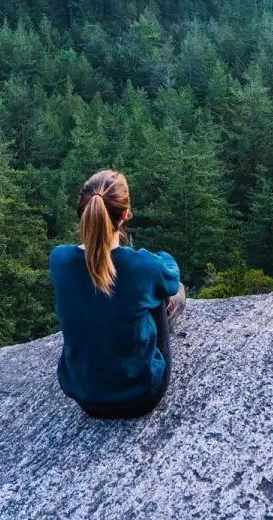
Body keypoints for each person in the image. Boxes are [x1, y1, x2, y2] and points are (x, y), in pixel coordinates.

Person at [49, 169, 185, 418]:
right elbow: (172, 277)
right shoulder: (143, 266)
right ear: (124, 215)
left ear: (83, 212)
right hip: (141, 395)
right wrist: (159, 257)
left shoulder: (59, 259)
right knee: (166, 293)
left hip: (86, 398)